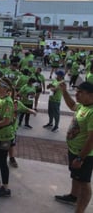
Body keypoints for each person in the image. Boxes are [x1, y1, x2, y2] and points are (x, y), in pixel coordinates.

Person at [54, 82, 93, 213]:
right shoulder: (83, 105)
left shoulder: (92, 112)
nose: (76, 94)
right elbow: (71, 105)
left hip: (84, 155)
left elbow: (91, 139)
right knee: (76, 176)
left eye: (80, 92)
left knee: (84, 183)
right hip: (74, 151)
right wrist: (64, 91)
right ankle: (73, 196)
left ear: (90, 95)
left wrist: (81, 158)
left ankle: (79, 210)